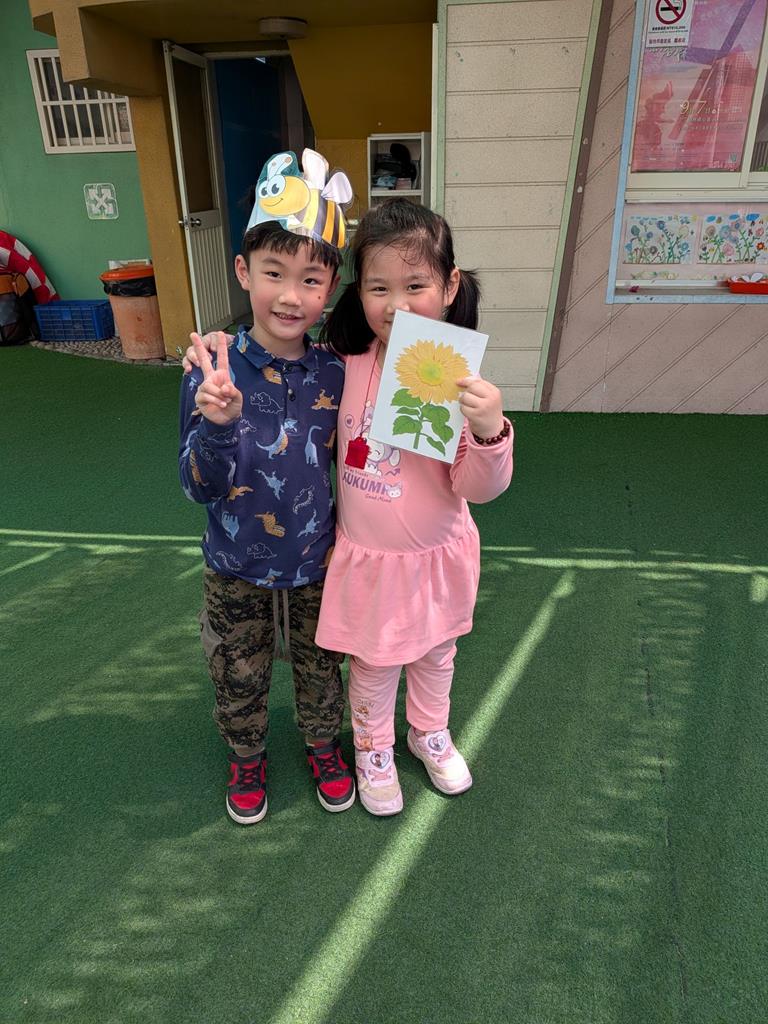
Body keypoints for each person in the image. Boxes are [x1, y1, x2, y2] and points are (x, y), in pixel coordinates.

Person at [314, 198, 514, 816]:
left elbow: (478, 487)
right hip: (371, 557)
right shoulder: (343, 366)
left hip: (436, 554)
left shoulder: (457, 380)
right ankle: (373, 747)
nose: (396, 305)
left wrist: (489, 431)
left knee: (435, 654)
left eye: (415, 286)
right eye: (378, 287)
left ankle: (428, 732)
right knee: (373, 663)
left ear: (450, 287)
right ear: (359, 291)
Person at [179, 148, 356, 824]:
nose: (290, 295)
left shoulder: (336, 372)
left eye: (311, 279)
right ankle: (246, 754)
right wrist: (218, 424)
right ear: (242, 271)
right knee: (236, 670)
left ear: (330, 286)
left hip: (317, 563)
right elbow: (197, 487)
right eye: (273, 273)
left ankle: (323, 745)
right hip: (235, 566)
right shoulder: (210, 368)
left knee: (322, 667)